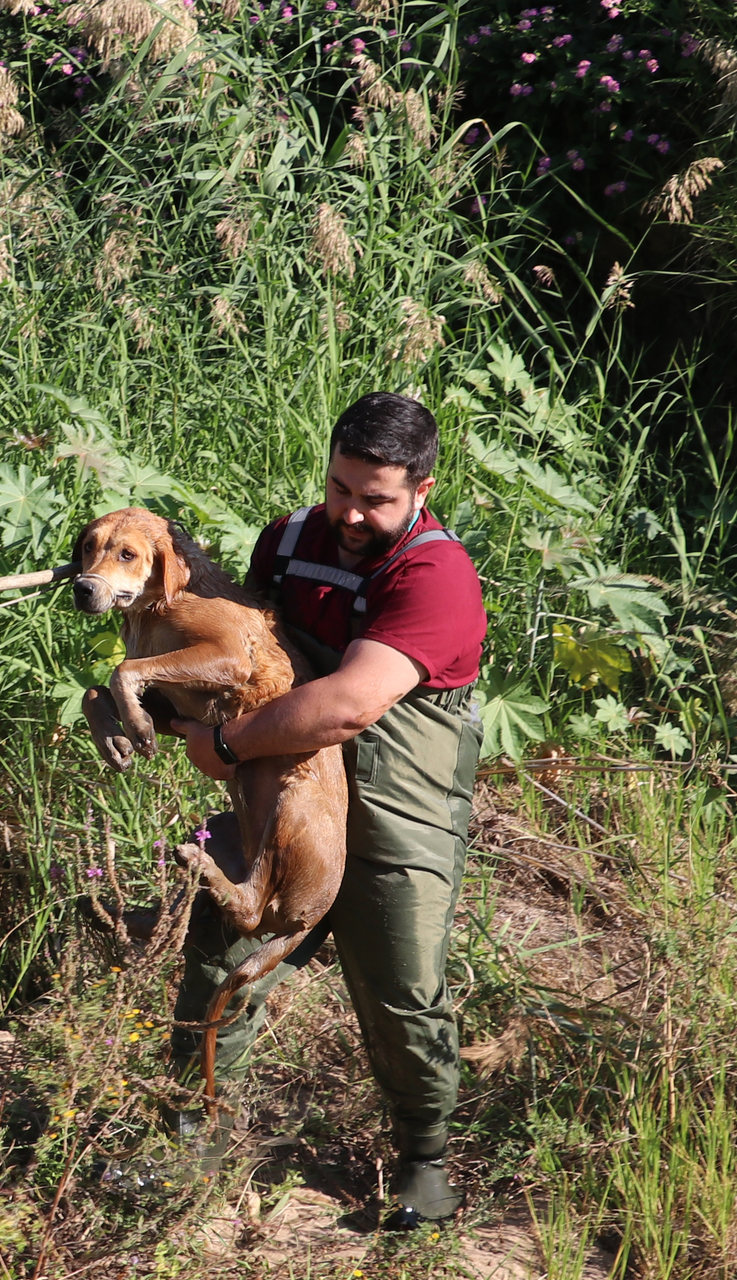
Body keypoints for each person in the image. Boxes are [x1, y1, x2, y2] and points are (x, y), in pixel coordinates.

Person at [164, 392, 487, 1230]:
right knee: (216, 945)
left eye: (373, 498)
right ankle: (192, 1138)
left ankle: (423, 1157)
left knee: (401, 984)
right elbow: (245, 654)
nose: (348, 512)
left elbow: (348, 704)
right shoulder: (290, 539)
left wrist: (226, 746)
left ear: (422, 487)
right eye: (340, 487)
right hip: (287, 788)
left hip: (395, 805)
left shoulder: (435, 573)